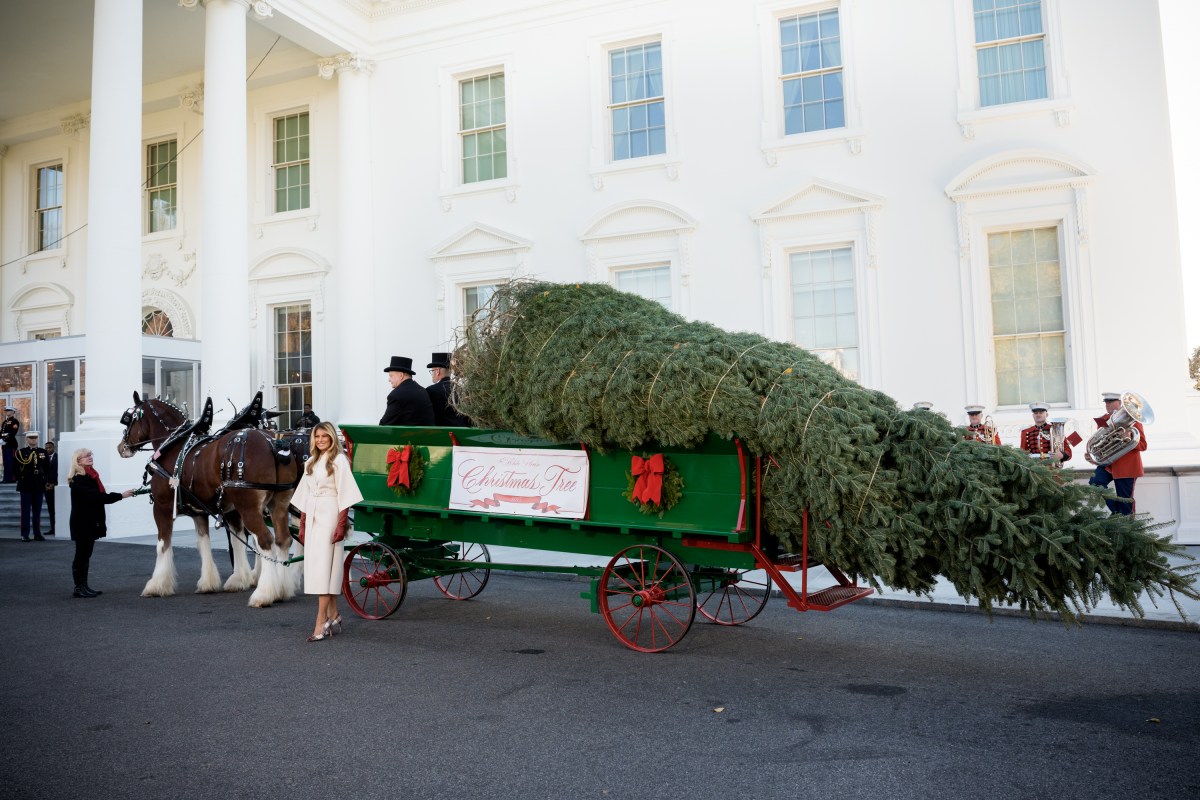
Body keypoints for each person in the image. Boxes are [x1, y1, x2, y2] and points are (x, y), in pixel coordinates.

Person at [290, 421, 363, 641]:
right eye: (317, 437)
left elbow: (346, 495)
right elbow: (303, 496)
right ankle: (334, 614)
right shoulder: (311, 462)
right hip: (312, 514)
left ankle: (320, 621)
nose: (321, 440)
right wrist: (302, 525)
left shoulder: (339, 460)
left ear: (332, 438)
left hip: (330, 514)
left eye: (325, 437)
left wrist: (341, 524)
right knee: (319, 567)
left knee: (323, 568)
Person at [67, 448, 134, 598]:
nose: (90, 458)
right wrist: (121, 496)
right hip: (82, 523)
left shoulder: (91, 476)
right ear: (78, 461)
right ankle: (78, 588)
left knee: (86, 555)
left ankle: (84, 585)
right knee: (81, 556)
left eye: (91, 455)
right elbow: (97, 497)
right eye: (86, 457)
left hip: (89, 522)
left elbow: (98, 497)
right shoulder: (79, 479)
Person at [1087, 391, 1148, 515]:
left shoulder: (1133, 420)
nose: (1107, 404)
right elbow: (1100, 442)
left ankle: (1127, 525)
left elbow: (1143, 445)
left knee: (1125, 501)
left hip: (1127, 467)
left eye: (1110, 402)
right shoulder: (1102, 420)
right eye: (1106, 402)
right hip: (1108, 465)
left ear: (1120, 403)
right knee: (1095, 482)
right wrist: (1092, 455)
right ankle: (1116, 513)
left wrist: (1131, 436)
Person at [379, 355, 435, 426]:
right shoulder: (423, 391)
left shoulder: (397, 395)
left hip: (409, 436)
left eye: (391, 376)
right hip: (427, 436)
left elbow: (384, 424)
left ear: (401, 375)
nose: (389, 380)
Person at [14, 432, 48, 541]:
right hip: (26, 485)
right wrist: (21, 479)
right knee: (25, 511)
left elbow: (47, 467)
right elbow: (15, 468)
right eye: (30, 438)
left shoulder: (43, 452)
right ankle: (25, 534)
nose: (33, 440)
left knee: (37, 511)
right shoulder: (21, 452)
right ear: (26, 439)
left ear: (37, 439)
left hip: (38, 484)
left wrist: (45, 481)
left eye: (35, 438)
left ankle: (37, 533)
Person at [425, 352, 471, 427]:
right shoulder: (460, 389)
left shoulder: (431, 390)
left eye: (432, 371)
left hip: (444, 434)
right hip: (463, 431)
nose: (432, 375)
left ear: (437, 371)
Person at [44, 440, 58, 535]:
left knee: (57, 509)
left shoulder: (58, 457)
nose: (48, 449)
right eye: (46, 448)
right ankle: (53, 528)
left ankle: (59, 528)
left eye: (50, 447)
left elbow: (60, 472)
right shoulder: (43, 458)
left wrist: (54, 484)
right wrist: (45, 484)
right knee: (51, 509)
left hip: (56, 487)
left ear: (54, 448)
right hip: (47, 487)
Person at [1, 407, 19, 483]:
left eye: (8, 410)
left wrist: (5, 440)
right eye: (6, 410)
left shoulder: (15, 421)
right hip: (4, 445)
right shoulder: (5, 422)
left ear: (13, 412)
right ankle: (6, 478)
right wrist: (0, 439)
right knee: (5, 462)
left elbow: (13, 432)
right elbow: (1, 432)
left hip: (11, 444)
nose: (6, 412)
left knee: (11, 461)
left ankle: (12, 478)